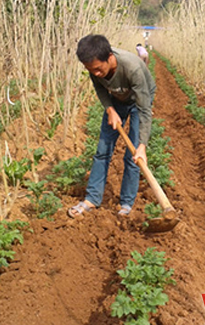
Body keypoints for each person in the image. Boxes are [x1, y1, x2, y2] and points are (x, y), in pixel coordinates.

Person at [68, 34, 156, 218]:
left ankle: (126, 203)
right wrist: (109, 109)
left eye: (99, 69)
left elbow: (145, 110)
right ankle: (92, 198)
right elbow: (100, 88)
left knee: (133, 156)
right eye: (91, 70)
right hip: (116, 100)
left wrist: (142, 146)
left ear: (109, 57)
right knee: (102, 150)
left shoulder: (132, 68)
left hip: (140, 101)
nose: (96, 74)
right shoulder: (94, 69)